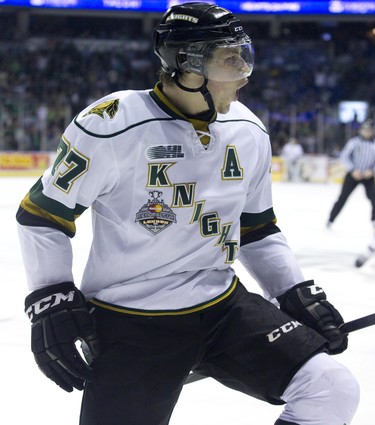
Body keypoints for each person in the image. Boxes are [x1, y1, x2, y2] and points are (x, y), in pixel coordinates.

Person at [16, 3, 359, 425]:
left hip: (224, 307)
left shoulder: (248, 130)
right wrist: (50, 298)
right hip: (132, 320)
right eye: (230, 58)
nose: (245, 71)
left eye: (243, 54)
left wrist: (293, 291)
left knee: (330, 389)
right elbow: (42, 215)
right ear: (188, 65)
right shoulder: (113, 123)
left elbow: (255, 228)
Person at [327, 119, 375, 228]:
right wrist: (353, 170)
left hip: (368, 176)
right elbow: (344, 156)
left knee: (374, 198)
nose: (367, 132)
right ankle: (331, 220)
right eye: (365, 130)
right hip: (353, 175)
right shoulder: (354, 142)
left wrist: (372, 171)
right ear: (361, 130)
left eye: (369, 130)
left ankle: (374, 220)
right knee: (343, 197)